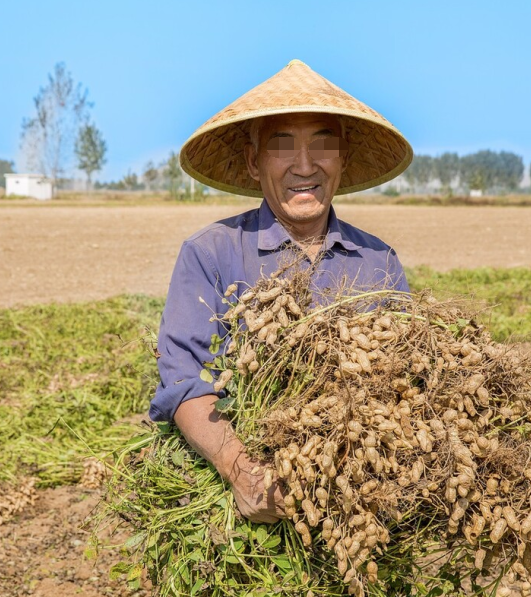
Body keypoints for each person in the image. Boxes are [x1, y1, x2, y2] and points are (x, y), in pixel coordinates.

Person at [149, 60, 413, 523]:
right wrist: (240, 470)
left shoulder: (380, 261)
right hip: (246, 512)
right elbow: (183, 380)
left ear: (343, 160)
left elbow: (411, 380)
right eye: (283, 147)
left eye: (323, 145)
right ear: (254, 162)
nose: (305, 165)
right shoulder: (211, 254)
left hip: (361, 508)